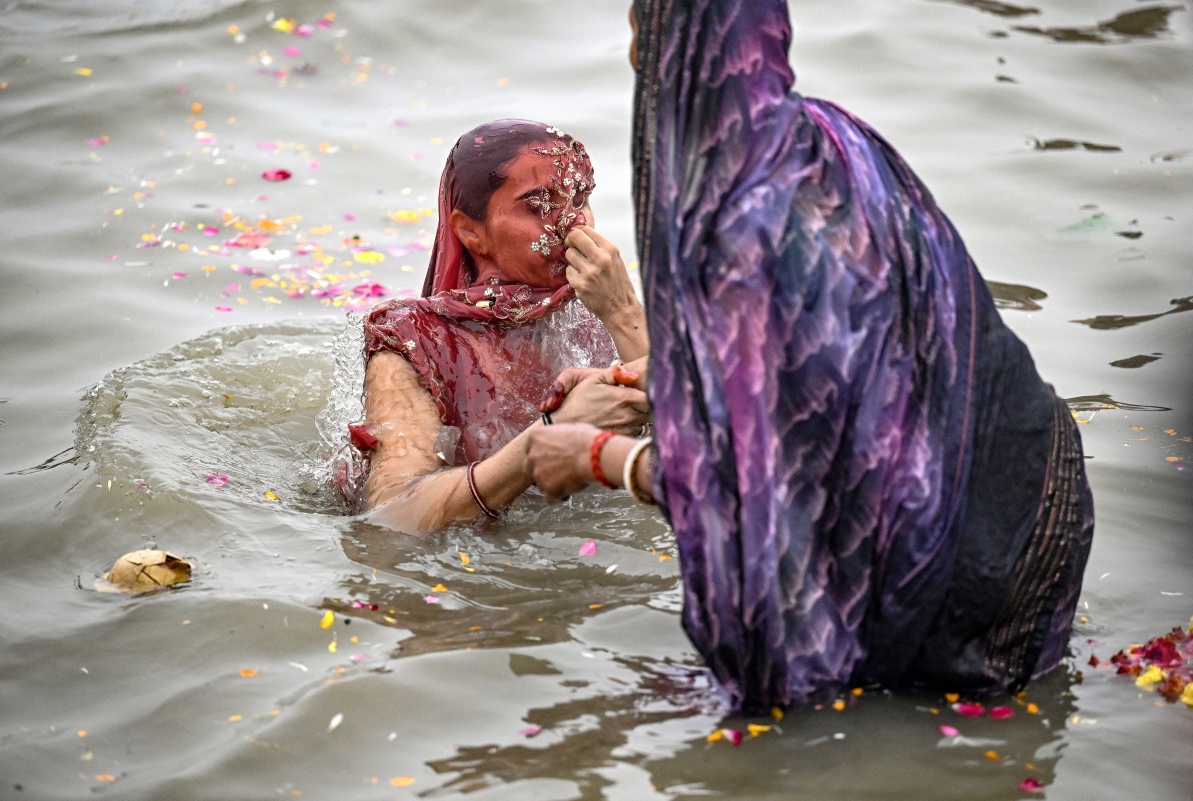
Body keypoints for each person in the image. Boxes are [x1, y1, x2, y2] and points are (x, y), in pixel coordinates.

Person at [525, 1, 1094, 713]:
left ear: (682, 48)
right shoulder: (827, 133)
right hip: (1028, 490)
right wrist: (684, 380)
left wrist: (599, 457)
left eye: (647, 26)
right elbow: (857, 364)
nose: (637, 54)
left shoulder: (735, 221)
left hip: (950, 569)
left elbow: (746, 495)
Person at [350, 119, 649, 534]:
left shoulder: (601, 319)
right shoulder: (415, 339)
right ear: (471, 233)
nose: (572, 226)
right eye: (538, 205)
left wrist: (625, 315)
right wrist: (549, 437)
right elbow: (393, 516)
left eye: (579, 199)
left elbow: (711, 457)